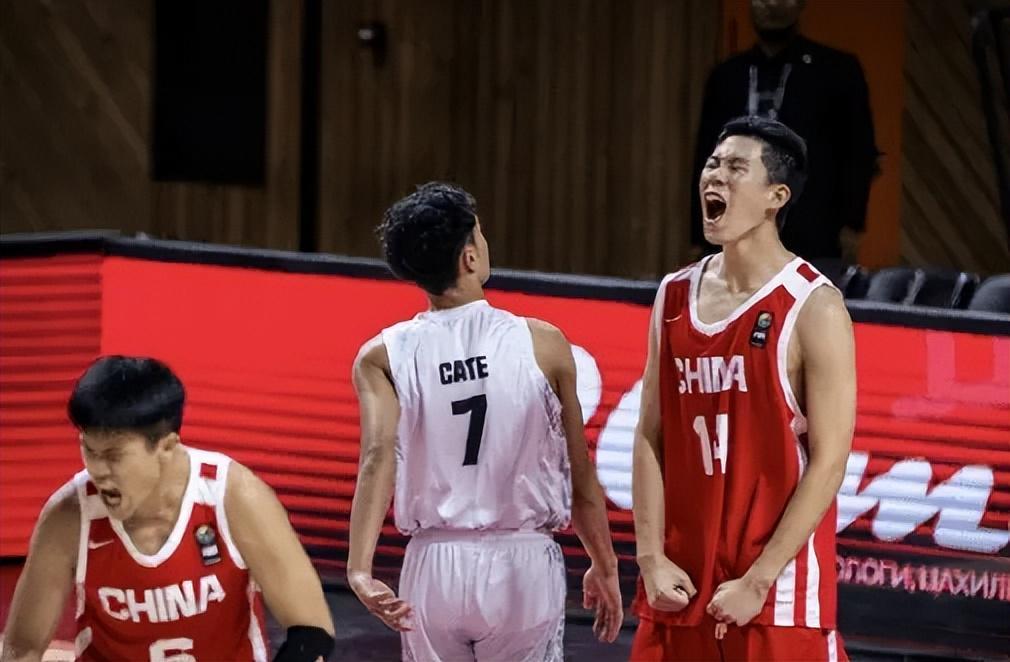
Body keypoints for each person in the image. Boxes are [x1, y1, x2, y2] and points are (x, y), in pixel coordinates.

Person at [346, 182, 623, 661]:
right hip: (521, 561)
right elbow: (580, 477)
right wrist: (605, 564)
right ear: (470, 257)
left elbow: (377, 458)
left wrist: (359, 569)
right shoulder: (545, 343)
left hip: (434, 563)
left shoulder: (381, 356)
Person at [632, 116, 855, 661]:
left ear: (776, 196)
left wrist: (759, 580)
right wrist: (650, 558)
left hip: (774, 595)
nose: (716, 177)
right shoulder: (674, 294)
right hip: (681, 583)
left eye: (736, 168)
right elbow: (650, 436)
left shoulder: (814, 306)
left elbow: (829, 461)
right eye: (713, 164)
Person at [1, 356, 335, 662]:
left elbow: (312, 633)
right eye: (89, 450)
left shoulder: (234, 497)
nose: (98, 470)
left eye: (114, 456)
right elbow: (23, 648)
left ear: (167, 447)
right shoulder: (70, 515)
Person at [690, 0, 879, 262]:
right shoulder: (727, 75)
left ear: (801, 4)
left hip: (812, 230)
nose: (772, 4)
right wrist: (699, 234)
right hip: (734, 226)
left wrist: (852, 224)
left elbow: (858, 152)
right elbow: (706, 152)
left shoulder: (836, 71)